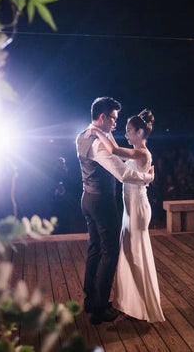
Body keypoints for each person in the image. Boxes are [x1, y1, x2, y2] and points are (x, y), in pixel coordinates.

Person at [75, 97, 155, 325]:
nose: (115, 124)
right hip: (102, 202)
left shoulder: (82, 136)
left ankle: (91, 300)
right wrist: (147, 177)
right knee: (109, 253)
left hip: (87, 198)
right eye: (113, 118)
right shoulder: (99, 144)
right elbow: (123, 174)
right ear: (102, 117)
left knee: (95, 249)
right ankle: (99, 308)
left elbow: (115, 151)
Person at [88, 109, 165, 323]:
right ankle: (133, 304)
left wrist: (97, 130)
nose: (126, 133)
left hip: (138, 208)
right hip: (130, 209)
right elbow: (115, 148)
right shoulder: (138, 150)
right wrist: (106, 130)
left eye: (129, 130)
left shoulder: (142, 153)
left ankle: (145, 306)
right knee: (130, 255)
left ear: (140, 132)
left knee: (136, 255)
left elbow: (112, 149)